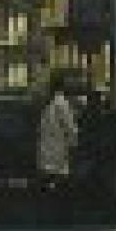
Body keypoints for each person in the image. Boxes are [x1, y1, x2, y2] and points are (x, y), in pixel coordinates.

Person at [36, 72, 79, 221]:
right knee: (60, 184)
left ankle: (53, 213)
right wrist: (74, 145)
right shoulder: (61, 104)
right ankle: (61, 214)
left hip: (51, 149)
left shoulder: (53, 104)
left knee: (52, 182)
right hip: (57, 150)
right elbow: (70, 128)